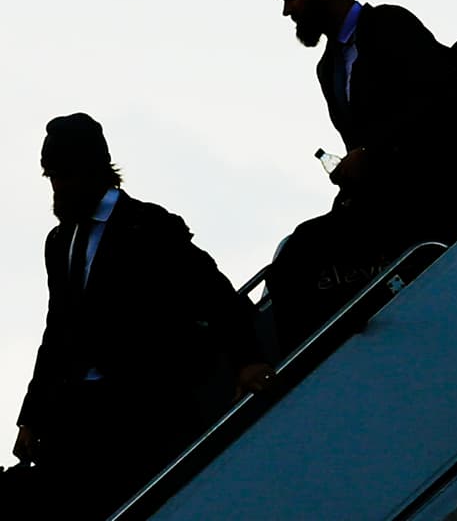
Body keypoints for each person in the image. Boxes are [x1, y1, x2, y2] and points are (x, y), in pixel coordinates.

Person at [12, 113, 273, 519]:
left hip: (139, 411)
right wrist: (32, 416)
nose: (56, 187)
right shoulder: (60, 240)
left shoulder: (149, 226)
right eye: (51, 176)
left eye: (63, 175)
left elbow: (212, 291)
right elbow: (57, 329)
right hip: (78, 413)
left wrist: (248, 358)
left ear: (93, 171)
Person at [270, 0, 457, 353]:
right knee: (294, 263)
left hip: (427, 199)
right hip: (380, 203)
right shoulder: (328, 65)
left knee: (298, 259)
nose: (287, 10)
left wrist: (375, 153)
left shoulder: (388, 25)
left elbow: (440, 100)